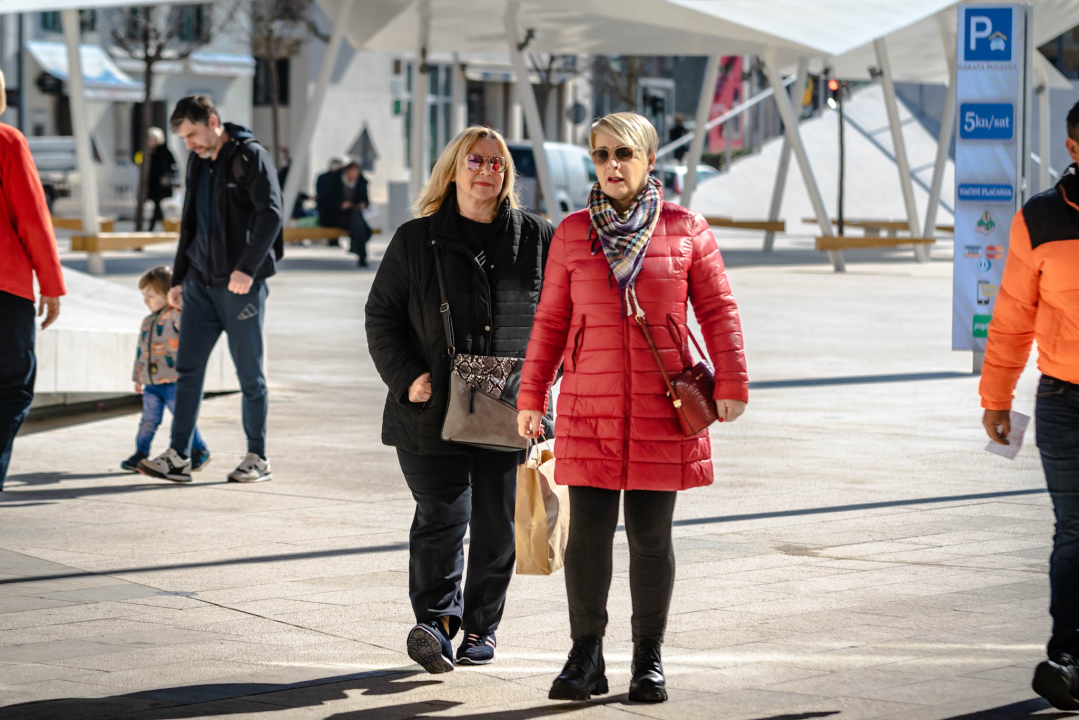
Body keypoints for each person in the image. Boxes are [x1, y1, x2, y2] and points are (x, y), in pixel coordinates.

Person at [517, 112, 748, 703]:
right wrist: (532, 393)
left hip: (660, 407)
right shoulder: (572, 233)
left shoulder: (686, 229)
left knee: (650, 538)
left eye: (623, 153)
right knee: (588, 538)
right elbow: (550, 321)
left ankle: (648, 658)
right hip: (588, 407)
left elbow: (719, 309)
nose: (611, 165)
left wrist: (732, 384)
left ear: (648, 159)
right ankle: (585, 656)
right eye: (600, 155)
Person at [365, 126, 554, 673]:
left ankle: (480, 629)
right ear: (452, 170)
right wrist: (406, 377)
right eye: (476, 160)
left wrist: (541, 388)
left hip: (508, 405)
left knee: (497, 524)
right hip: (430, 408)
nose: (487, 170)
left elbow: (560, 321)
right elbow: (382, 316)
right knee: (442, 515)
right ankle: (437, 624)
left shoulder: (538, 238)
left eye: (498, 163)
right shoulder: (414, 239)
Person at [981, 101, 1079, 711]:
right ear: (1073, 148)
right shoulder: (1040, 218)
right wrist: (996, 396)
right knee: (1075, 532)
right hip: (1064, 401)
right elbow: (1013, 317)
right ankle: (1067, 657)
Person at [139, 95, 283, 485]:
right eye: (183, 138)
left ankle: (257, 456)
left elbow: (271, 214)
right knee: (187, 371)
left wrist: (247, 269)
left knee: (249, 375)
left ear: (213, 121)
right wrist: (181, 278)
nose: (188, 143)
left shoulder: (249, 157)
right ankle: (179, 456)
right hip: (200, 285)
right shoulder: (197, 162)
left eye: (192, 134)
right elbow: (189, 222)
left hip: (239, 288)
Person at [0, 69, 65, 490]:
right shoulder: (7, 141)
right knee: (12, 389)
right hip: (5, 288)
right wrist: (53, 285)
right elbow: (32, 218)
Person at [122, 266, 210, 474]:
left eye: (151, 295)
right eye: (144, 295)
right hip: (152, 384)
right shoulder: (146, 321)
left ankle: (199, 450)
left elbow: (191, 325)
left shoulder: (176, 316)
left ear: (166, 295)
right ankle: (140, 454)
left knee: (183, 419)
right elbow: (141, 351)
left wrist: (179, 301)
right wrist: (138, 377)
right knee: (148, 421)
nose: (146, 300)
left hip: (174, 381)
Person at [317, 158, 372, 266]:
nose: (353, 178)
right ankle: (361, 254)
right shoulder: (332, 180)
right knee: (363, 228)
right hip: (332, 216)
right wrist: (340, 205)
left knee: (357, 218)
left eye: (356, 175)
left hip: (351, 216)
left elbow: (365, 200)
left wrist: (362, 204)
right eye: (351, 175)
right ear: (345, 172)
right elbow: (324, 201)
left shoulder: (361, 181)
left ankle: (358, 250)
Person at [146, 127, 177, 232]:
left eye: (152, 139)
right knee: (157, 207)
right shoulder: (152, 152)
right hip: (156, 185)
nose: (149, 141)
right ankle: (164, 226)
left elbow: (169, 167)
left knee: (157, 206)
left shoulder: (162, 152)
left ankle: (153, 227)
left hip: (161, 185)